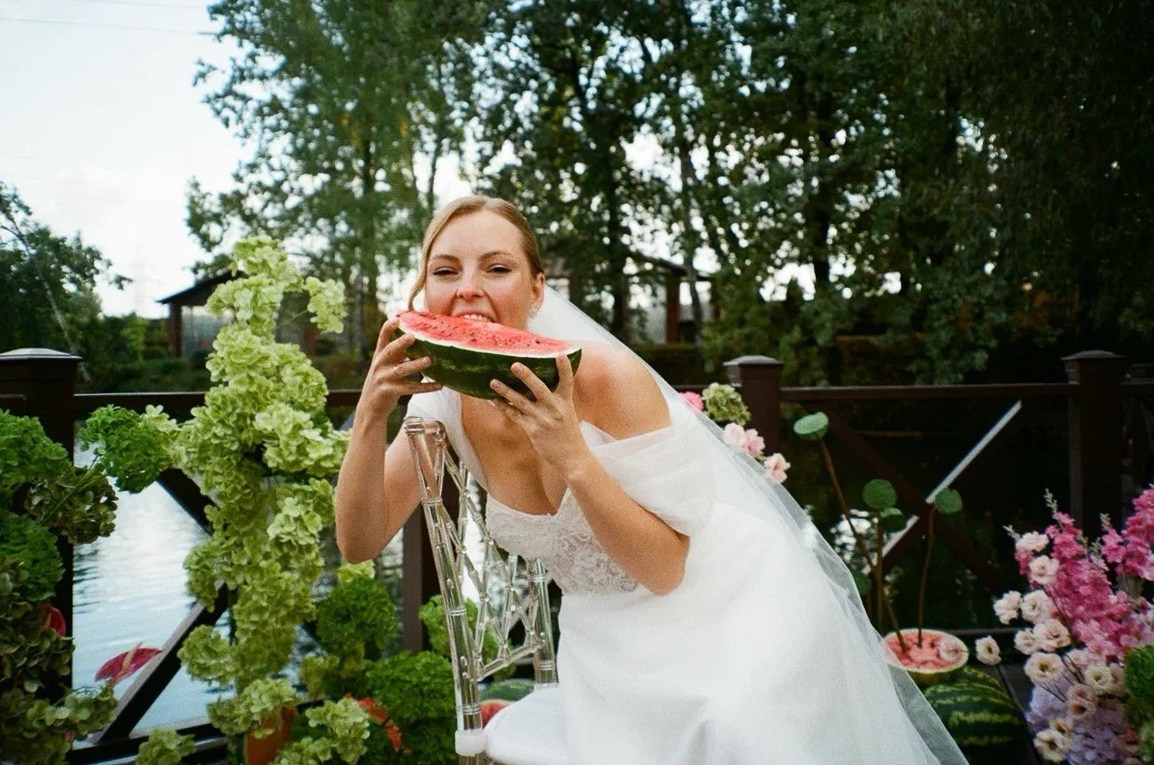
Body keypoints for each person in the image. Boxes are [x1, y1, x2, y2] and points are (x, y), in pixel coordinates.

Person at [335, 195, 969, 765]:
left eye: (496, 269)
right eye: (446, 271)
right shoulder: (440, 403)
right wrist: (369, 417)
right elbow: (359, 542)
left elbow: (665, 569)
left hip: (735, 600)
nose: (468, 290)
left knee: (730, 726)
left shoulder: (612, 381)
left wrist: (575, 458)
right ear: (423, 292)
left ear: (536, 289)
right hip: (608, 644)